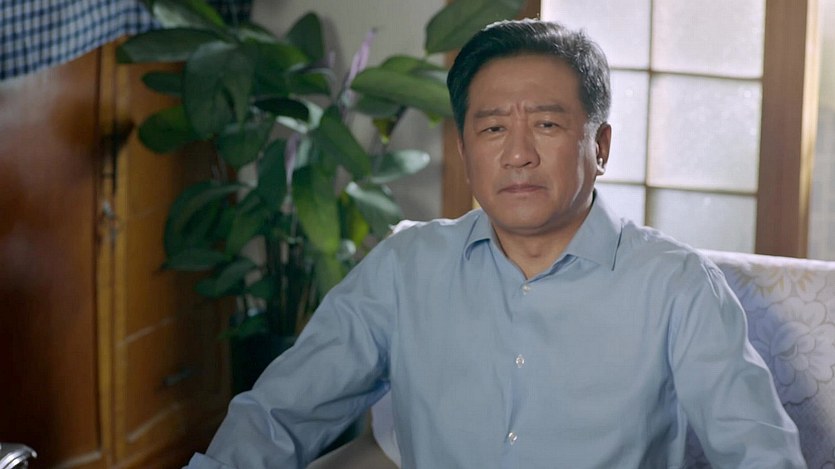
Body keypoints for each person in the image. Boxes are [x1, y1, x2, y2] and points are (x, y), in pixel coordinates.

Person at [186, 19, 806, 468]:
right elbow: (280, 414)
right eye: (491, 129)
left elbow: (760, 453)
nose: (517, 154)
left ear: (600, 147)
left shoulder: (677, 285)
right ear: (464, 149)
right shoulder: (405, 268)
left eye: (546, 124)